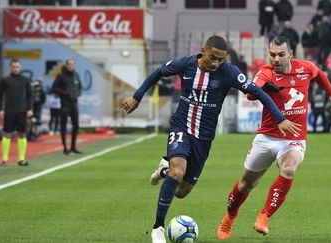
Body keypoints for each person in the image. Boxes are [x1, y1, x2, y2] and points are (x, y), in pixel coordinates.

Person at [121, 35, 300, 243]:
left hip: (204, 138)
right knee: (178, 170)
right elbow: (158, 72)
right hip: (181, 126)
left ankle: (164, 170)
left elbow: (258, 93)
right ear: (203, 50)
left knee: (181, 191)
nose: (216, 63)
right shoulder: (185, 64)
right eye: (213, 57)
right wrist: (137, 96)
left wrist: (279, 118)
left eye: (221, 59)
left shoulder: (229, 72)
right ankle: (158, 228)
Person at [216, 35, 331, 240]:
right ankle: (230, 217)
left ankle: (264, 216)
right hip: (266, 137)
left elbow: (319, 74)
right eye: (272, 54)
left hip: (293, 138)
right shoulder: (266, 72)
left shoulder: (305, 68)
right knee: (245, 184)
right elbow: (250, 92)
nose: (275, 59)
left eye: (281, 55)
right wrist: (262, 88)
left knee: (290, 167)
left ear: (290, 54)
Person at [0, 59, 33, 166]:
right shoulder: (5, 80)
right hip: (9, 111)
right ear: (10, 67)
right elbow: (0, 96)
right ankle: (4, 159)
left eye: (17, 67)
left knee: (22, 134)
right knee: (7, 134)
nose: (15, 69)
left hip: (22, 111)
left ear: (20, 67)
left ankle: (21, 159)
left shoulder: (25, 80)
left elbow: (30, 96)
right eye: (13, 67)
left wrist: (30, 109)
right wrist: (0, 109)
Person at [52, 58, 82, 155]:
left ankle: (73, 147)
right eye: (69, 64)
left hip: (74, 102)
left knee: (76, 125)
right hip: (65, 103)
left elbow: (80, 87)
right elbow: (54, 88)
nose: (71, 66)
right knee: (63, 126)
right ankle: (65, 148)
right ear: (66, 65)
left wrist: (77, 93)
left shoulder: (76, 75)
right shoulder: (61, 76)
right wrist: (65, 93)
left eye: (72, 64)